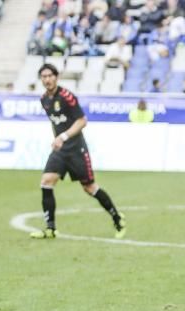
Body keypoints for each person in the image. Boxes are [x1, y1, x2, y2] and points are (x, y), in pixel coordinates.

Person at [32, 64, 126, 240]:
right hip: (60, 150)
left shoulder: (67, 97)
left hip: (76, 149)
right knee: (46, 181)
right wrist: (59, 140)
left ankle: (116, 217)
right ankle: (50, 228)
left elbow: (82, 121)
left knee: (89, 187)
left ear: (56, 77)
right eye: (43, 77)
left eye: (49, 76)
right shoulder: (44, 100)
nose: (47, 80)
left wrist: (63, 137)